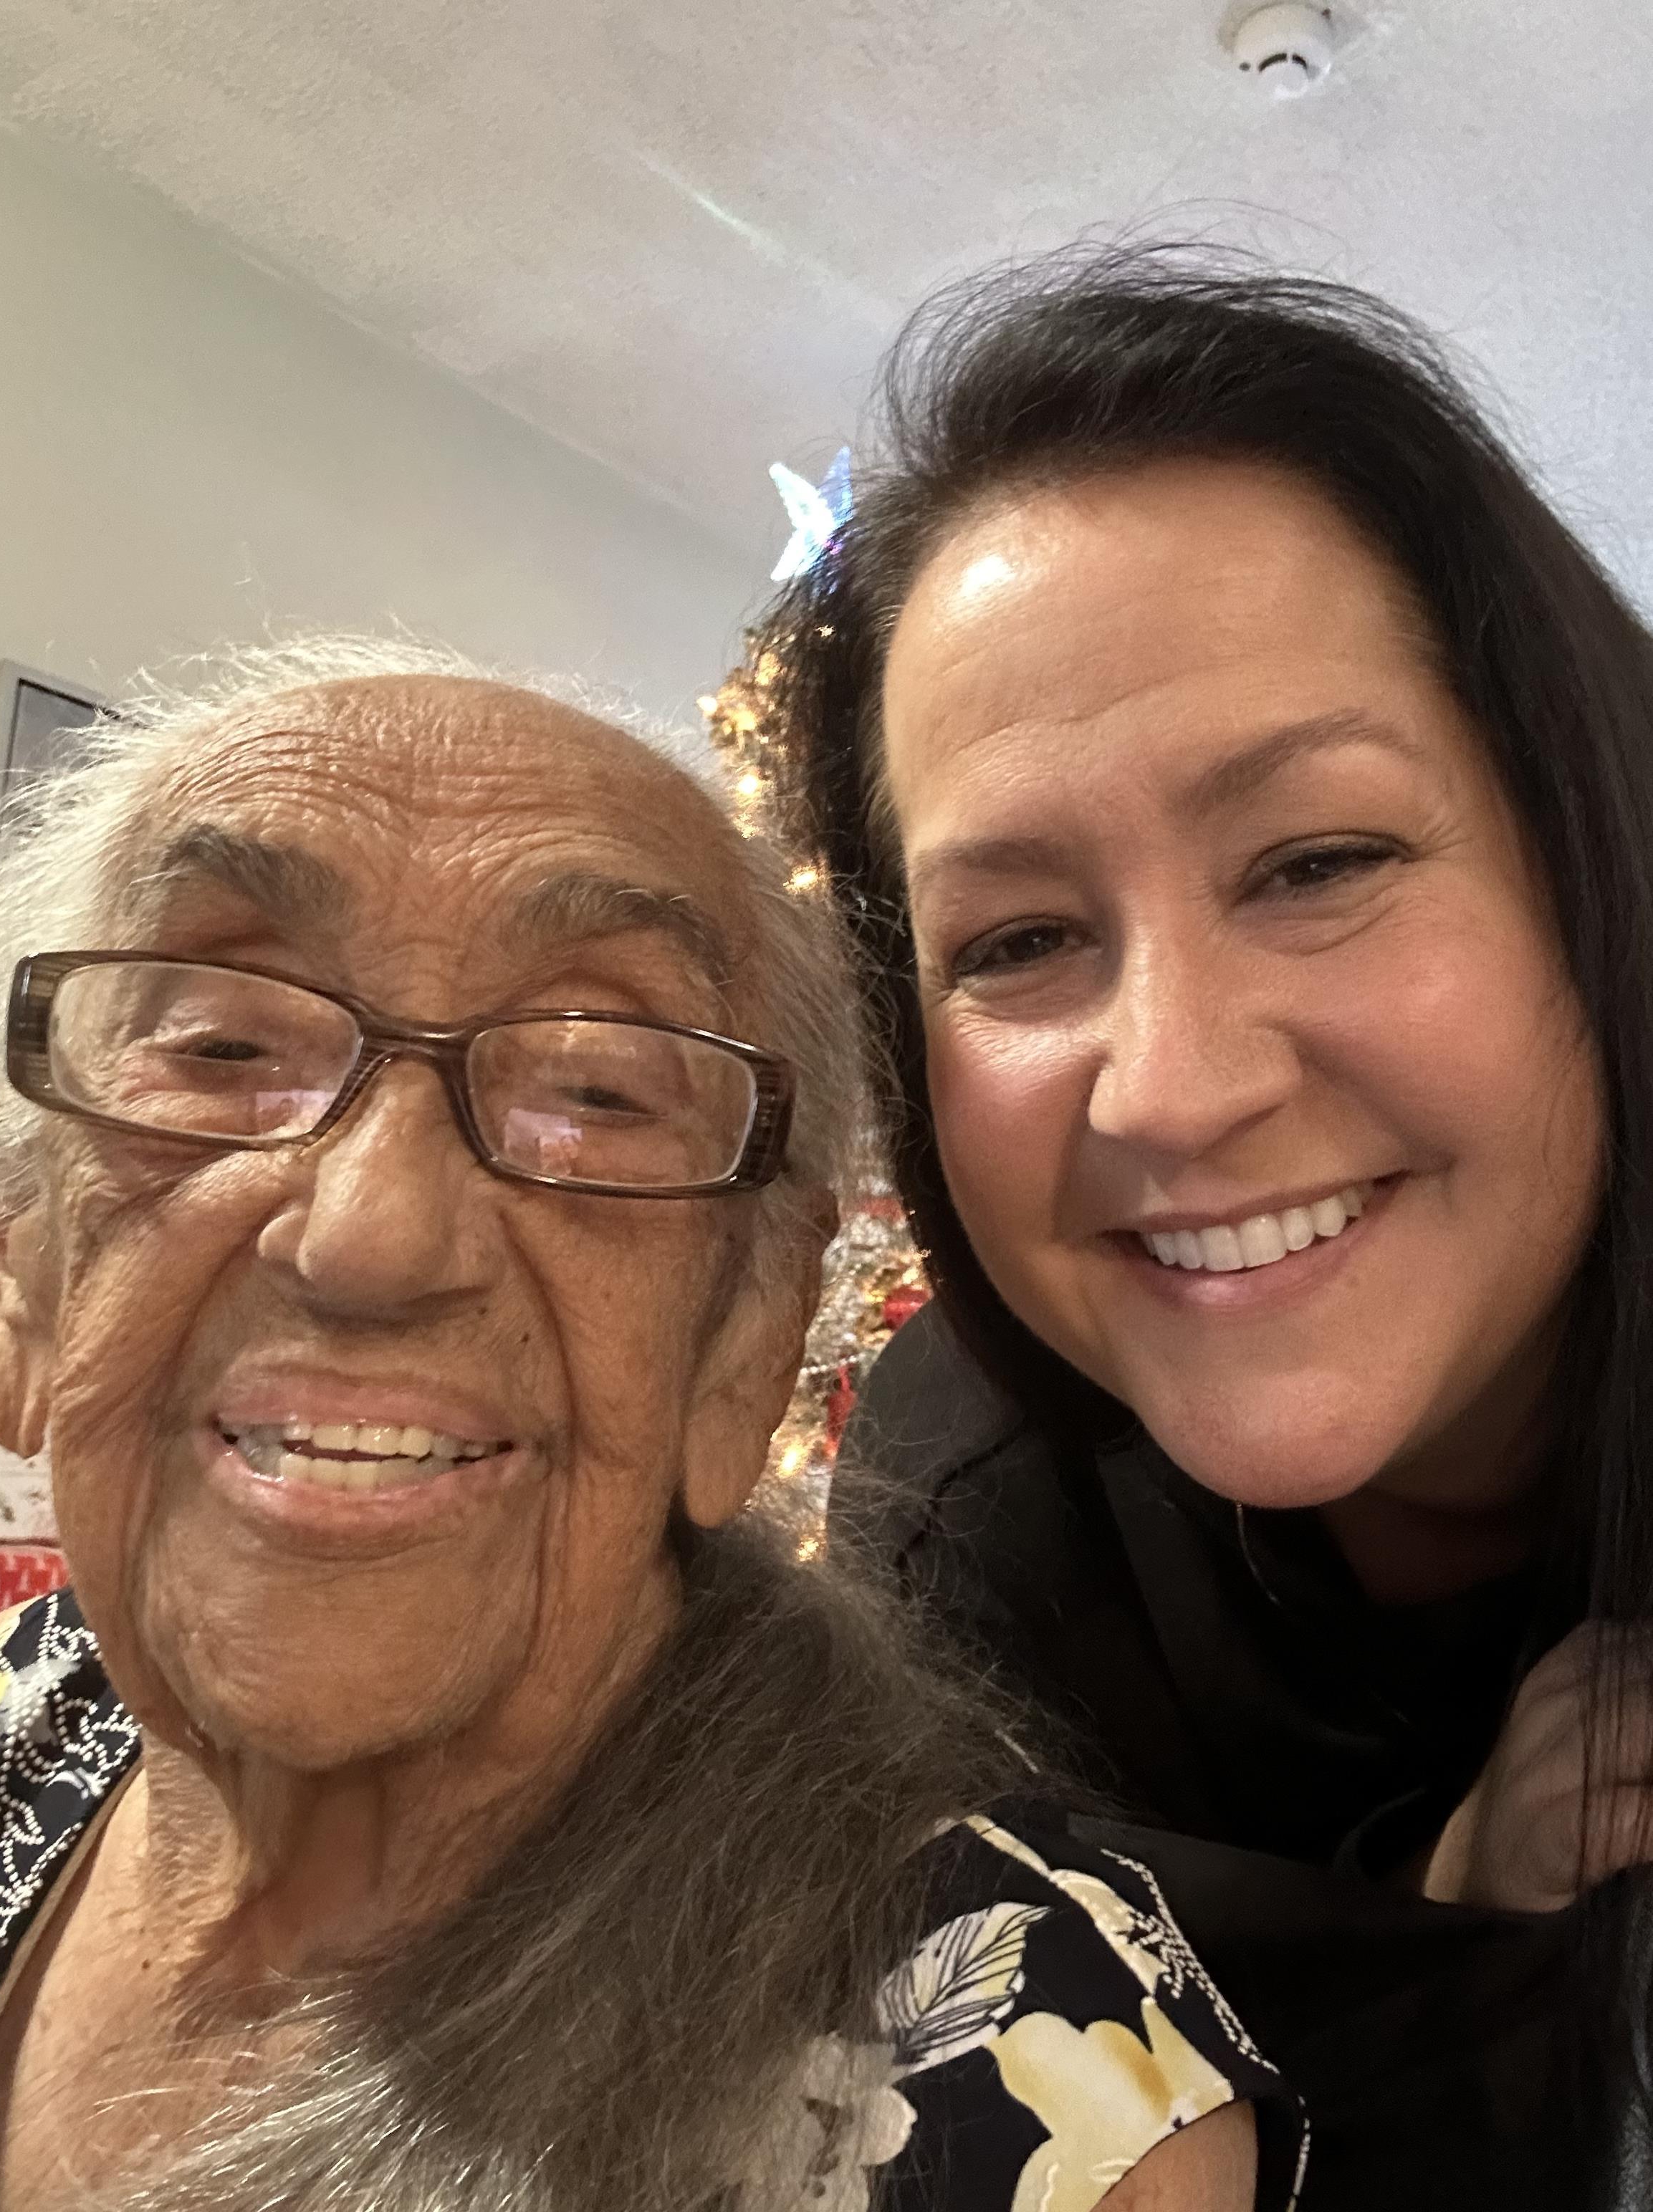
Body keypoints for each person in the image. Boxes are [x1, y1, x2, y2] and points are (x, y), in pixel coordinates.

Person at [0, 641, 1301, 2211]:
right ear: (31, 1274)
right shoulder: (24, 1699)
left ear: (746, 1347)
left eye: (602, 1089)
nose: (373, 1231)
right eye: (223, 1048)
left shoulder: (1024, 2096)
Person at [760, 247, 1653, 2208]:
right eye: (1014, 942)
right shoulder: (955, 1503)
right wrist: (1438, 1892)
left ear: (1596, 868)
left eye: (1317, 858)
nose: (1167, 1086)